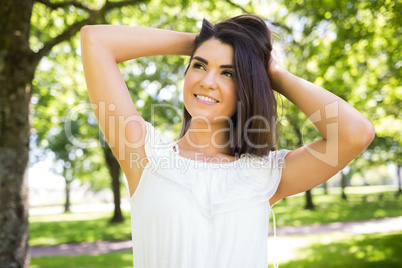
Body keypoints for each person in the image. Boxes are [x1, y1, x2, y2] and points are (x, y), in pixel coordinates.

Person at [80, 14, 374, 268]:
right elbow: (96, 41)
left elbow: (355, 133)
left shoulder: (267, 173)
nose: (208, 81)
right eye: (199, 65)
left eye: (228, 73)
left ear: (248, 86)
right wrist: (202, 40)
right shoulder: (145, 157)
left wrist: (273, 73)